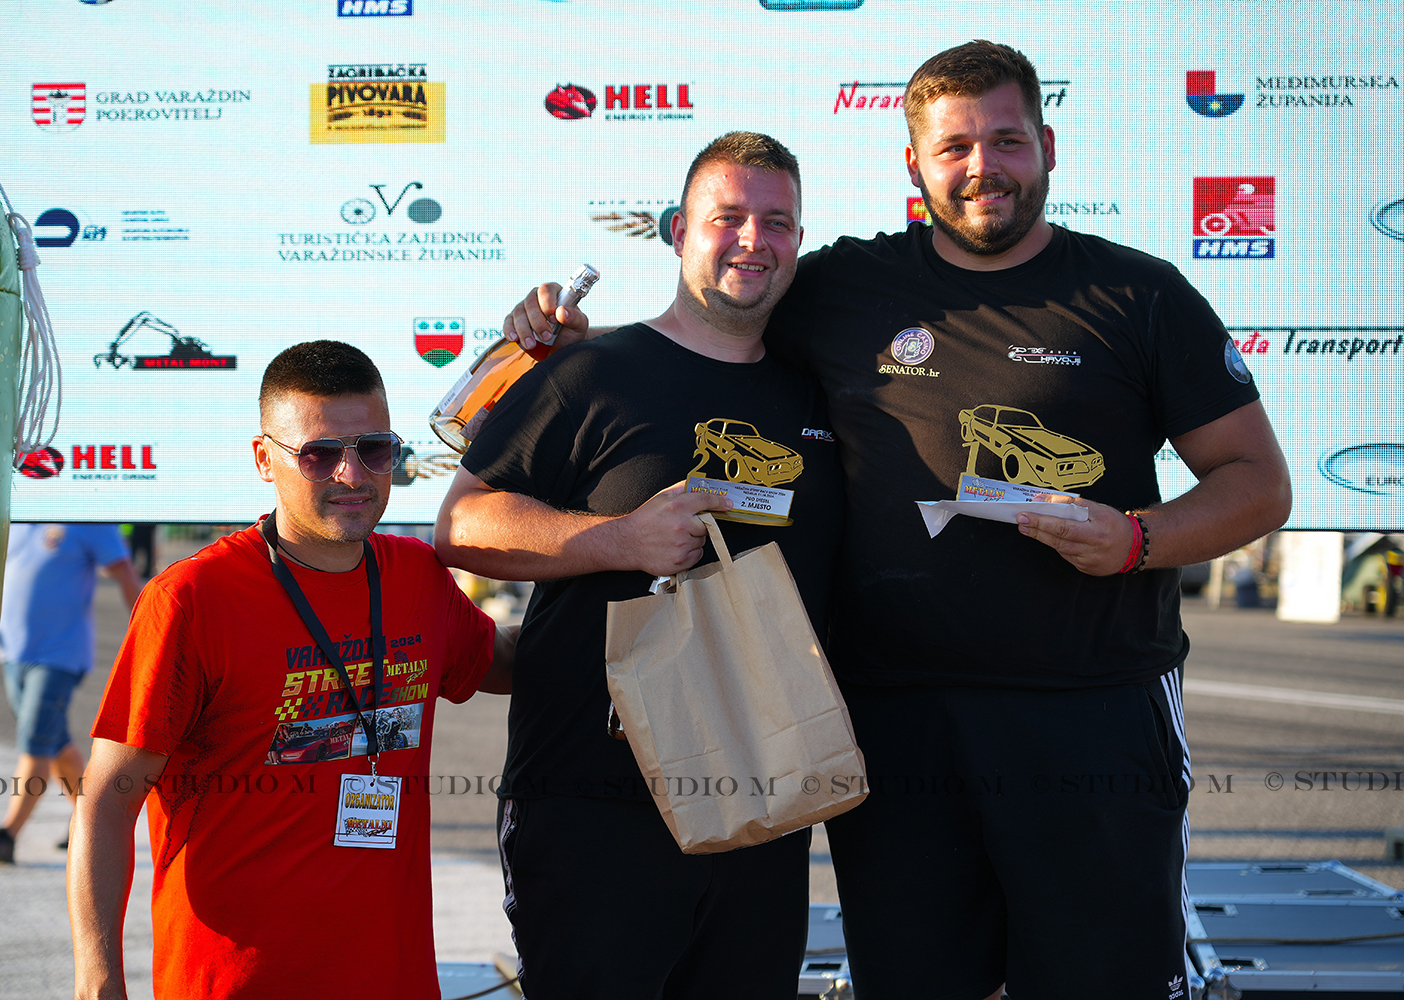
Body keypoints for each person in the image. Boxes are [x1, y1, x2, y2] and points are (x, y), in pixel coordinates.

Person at [503, 42, 1292, 1000]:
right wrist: (569, 341)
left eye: (1006, 141)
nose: (983, 167)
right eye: (954, 146)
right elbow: (708, 329)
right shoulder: (839, 287)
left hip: (1090, 713)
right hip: (893, 726)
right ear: (914, 164)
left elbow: (1257, 483)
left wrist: (1137, 540)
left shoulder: (1139, 294)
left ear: (1047, 147)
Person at [435, 132, 846, 999]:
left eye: (777, 222)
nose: (753, 239)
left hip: (762, 791)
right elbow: (462, 525)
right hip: (594, 800)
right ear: (678, 232)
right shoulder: (592, 371)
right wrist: (618, 540)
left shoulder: (820, 391)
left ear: (800, 242)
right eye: (727, 217)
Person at [68, 340, 515, 1000]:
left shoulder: (417, 576)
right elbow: (108, 800)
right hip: (232, 984)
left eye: (374, 449)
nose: (352, 474)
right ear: (264, 459)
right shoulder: (192, 600)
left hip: (392, 980)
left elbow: (507, 663)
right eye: (319, 454)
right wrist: (98, 978)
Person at [0, 523, 141, 864]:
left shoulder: (87, 518)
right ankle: (89, 821)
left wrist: (148, 633)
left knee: (36, 741)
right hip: (12, 653)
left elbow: (126, 576)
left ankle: (8, 834)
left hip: (59, 656)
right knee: (54, 742)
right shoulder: (19, 515)